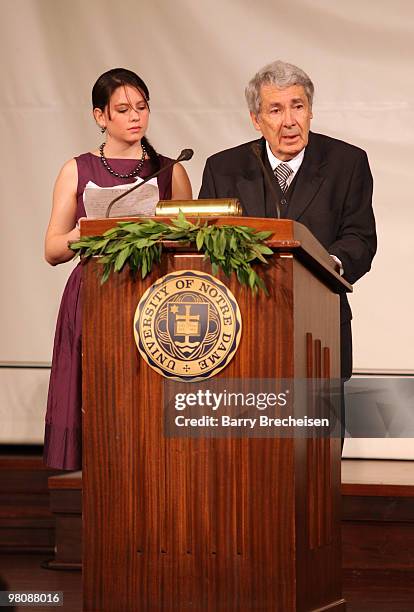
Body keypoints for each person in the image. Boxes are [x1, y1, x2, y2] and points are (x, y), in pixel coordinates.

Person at [44, 68, 192, 470]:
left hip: (155, 295)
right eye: (123, 109)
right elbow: (53, 248)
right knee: (98, 394)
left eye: (141, 108)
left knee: (147, 409)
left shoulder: (171, 169)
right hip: (95, 291)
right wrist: (83, 231)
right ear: (100, 116)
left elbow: (191, 244)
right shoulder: (76, 170)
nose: (135, 117)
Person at [199, 59, 376, 385]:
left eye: (298, 106)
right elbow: (205, 243)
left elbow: (360, 238)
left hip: (320, 329)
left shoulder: (347, 163)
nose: (290, 121)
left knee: (317, 431)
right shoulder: (223, 168)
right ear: (256, 119)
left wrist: (326, 267)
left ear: (310, 111)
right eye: (276, 110)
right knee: (247, 433)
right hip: (241, 328)